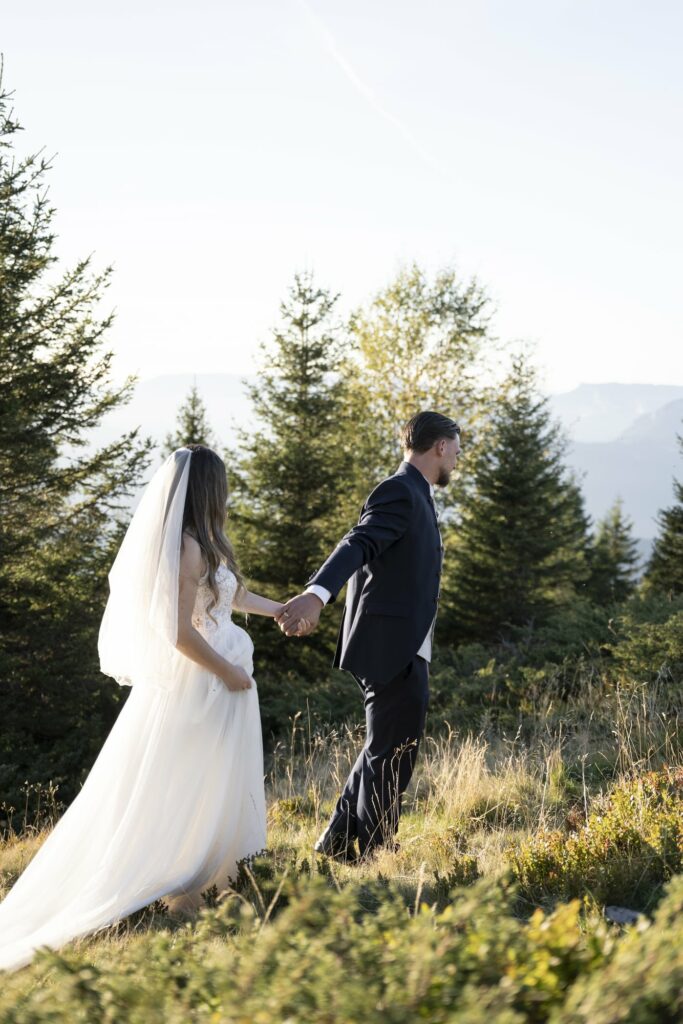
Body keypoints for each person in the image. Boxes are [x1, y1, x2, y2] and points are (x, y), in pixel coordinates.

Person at [0, 445, 281, 973]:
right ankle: (178, 883)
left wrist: (279, 610)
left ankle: (210, 878)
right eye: (221, 485)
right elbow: (176, 632)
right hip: (204, 684)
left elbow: (230, 595)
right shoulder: (188, 548)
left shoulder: (206, 544)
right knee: (186, 780)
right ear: (207, 490)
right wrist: (227, 671)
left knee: (215, 778)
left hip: (225, 685)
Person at [276, 412, 461, 862]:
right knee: (395, 751)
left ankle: (337, 841)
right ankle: (376, 851)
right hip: (390, 644)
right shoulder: (399, 490)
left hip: (400, 642)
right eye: (456, 447)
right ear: (439, 446)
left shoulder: (417, 492)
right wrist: (317, 595)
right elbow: (357, 544)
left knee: (384, 745)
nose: (458, 457)